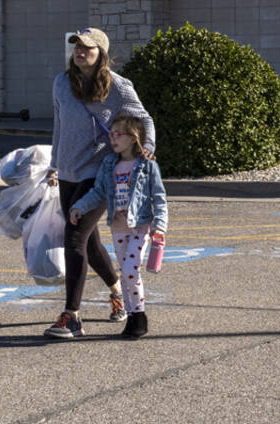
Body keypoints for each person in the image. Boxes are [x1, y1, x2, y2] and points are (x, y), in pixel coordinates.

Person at [43, 27, 156, 340]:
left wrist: (149, 149)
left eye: (87, 48)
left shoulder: (118, 87)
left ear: (102, 54)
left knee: (74, 237)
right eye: (77, 47)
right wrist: (54, 164)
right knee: (88, 242)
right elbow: (59, 126)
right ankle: (117, 290)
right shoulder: (61, 83)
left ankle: (72, 316)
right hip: (68, 171)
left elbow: (144, 119)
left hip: (99, 172)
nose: (80, 52)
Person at [69, 113, 167, 340]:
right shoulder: (109, 163)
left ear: (133, 138)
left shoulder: (146, 164)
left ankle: (139, 316)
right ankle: (132, 317)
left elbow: (159, 197)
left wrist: (159, 227)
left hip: (140, 226)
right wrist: (79, 207)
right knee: (125, 274)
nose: (112, 138)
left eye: (117, 134)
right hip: (118, 227)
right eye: (110, 134)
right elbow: (99, 192)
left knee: (131, 270)